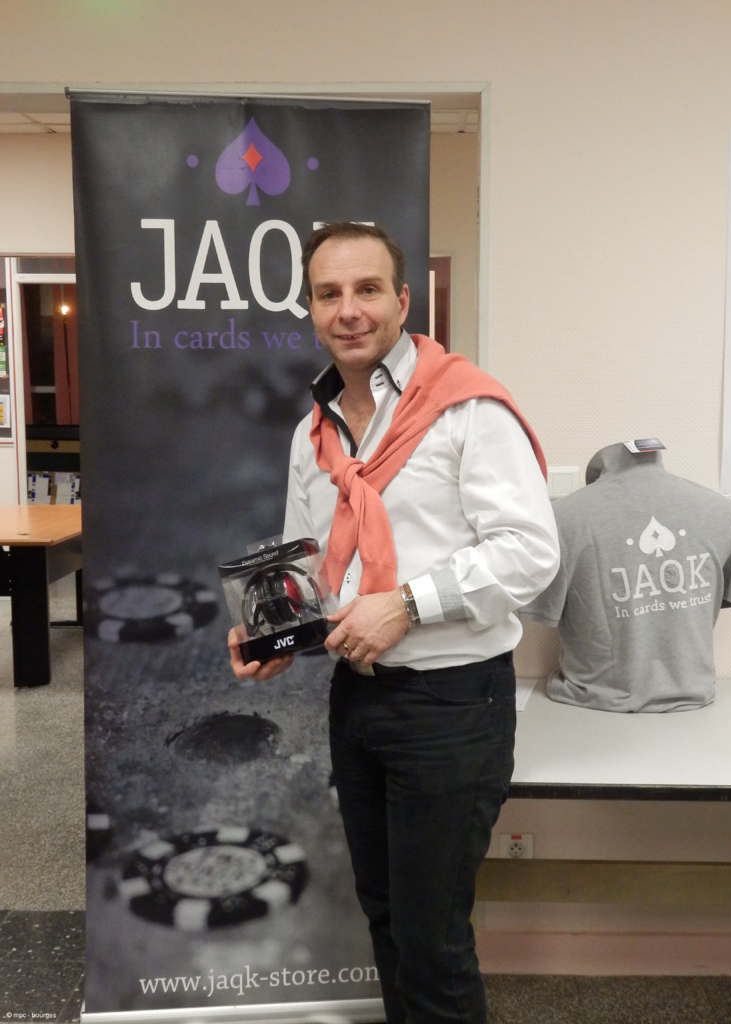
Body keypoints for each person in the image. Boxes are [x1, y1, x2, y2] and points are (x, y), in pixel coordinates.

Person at [229, 221, 560, 1024]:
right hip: (359, 701)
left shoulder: (467, 409)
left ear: (403, 301)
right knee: (386, 920)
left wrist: (408, 603)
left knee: (433, 942)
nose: (349, 310)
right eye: (329, 294)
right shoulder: (313, 433)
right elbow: (314, 572)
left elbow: (531, 553)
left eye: (367, 289)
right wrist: (278, 634)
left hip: (452, 706)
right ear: (312, 310)